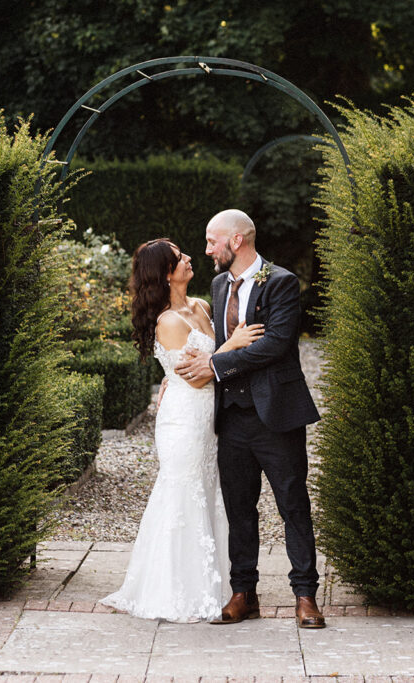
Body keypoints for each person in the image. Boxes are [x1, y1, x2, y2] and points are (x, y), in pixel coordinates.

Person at [174, 209, 325, 629]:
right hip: (233, 419)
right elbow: (222, 343)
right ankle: (244, 593)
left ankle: (306, 596)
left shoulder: (281, 282)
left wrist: (216, 367)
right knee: (240, 508)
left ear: (236, 241)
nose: (206, 250)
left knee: (292, 505)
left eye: (211, 241)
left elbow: (274, 345)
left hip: (276, 416)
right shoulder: (220, 285)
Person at [100, 238, 264, 622]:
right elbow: (193, 380)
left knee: (210, 491)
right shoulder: (169, 322)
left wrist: (229, 348)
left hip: (212, 417)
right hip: (184, 420)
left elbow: (207, 366)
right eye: (179, 258)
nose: (190, 258)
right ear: (166, 273)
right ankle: (175, 587)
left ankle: (217, 582)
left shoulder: (202, 305)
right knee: (184, 492)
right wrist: (235, 345)